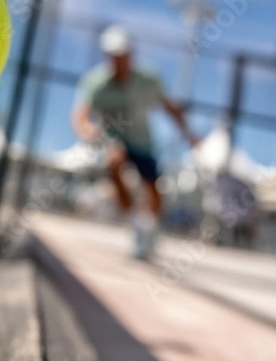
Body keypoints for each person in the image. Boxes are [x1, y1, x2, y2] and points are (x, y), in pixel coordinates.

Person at [71, 25, 198, 259]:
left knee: (154, 188)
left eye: (122, 54)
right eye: (113, 55)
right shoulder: (95, 83)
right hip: (113, 140)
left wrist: (188, 134)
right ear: (107, 56)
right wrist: (89, 133)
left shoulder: (148, 79)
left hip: (143, 142)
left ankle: (148, 227)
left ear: (131, 53)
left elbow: (170, 108)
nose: (118, 59)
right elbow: (80, 117)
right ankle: (134, 224)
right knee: (114, 161)